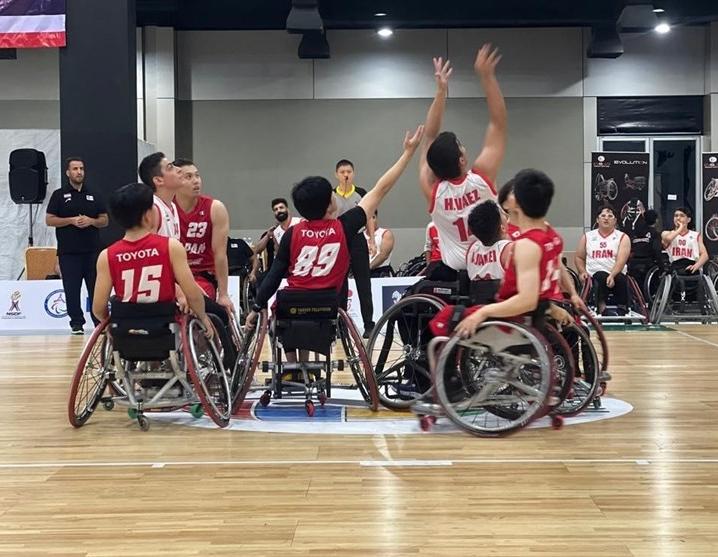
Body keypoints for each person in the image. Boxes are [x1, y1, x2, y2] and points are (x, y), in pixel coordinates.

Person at [245, 126, 424, 362]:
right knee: (316, 314)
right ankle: (306, 364)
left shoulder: (292, 233)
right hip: (327, 305)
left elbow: (275, 275)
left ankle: (293, 366)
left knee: (283, 315)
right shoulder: (344, 226)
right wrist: (408, 153)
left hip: (292, 303)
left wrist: (256, 307)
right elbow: (381, 188)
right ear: (330, 205)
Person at [418, 45, 506, 281]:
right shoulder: (481, 178)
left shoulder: (432, 190)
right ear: (461, 159)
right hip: (492, 267)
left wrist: (440, 91)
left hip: (455, 274)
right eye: (461, 145)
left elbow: (429, 136)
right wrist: (487, 78)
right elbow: (498, 124)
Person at [450, 169, 566, 337]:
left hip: (506, 319)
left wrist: (483, 312)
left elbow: (528, 299)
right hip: (526, 313)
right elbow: (537, 294)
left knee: (447, 320)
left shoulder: (524, 246)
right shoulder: (548, 238)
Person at [92, 182, 212, 337]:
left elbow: (98, 308)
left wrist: (109, 323)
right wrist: (203, 317)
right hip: (164, 327)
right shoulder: (171, 247)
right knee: (219, 314)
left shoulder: (107, 256)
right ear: (147, 216)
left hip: (125, 330)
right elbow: (193, 295)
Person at [174, 159, 237, 367]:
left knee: (200, 306)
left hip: (201, 275)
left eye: (197, 175)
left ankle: (208, 356)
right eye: (188, 177)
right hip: (173, 277)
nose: (196, 181)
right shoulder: (165, 210)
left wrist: (224, 294)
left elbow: (220, 255)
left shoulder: (214, 208)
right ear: (175, 181)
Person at [46, 157, 108, 334]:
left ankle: (99, 322)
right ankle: (76, 323)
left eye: (81, 168)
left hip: (92, 251)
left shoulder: (94, 194)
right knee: (71, 289)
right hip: (69, 252)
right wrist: (71, 220)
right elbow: (49, 220)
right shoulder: (59, 195)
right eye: (75, 169)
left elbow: (104, 220)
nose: (79, 172)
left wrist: (91, 221)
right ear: (68, 172)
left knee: (95, 288)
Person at [334, 159, 376, 337]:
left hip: (358, 240)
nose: (346, 175)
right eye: (342, 172)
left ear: (353, 173)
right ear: (336, 174)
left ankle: (369, 324)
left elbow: (369, 217)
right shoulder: (331, 195)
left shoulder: (361, 194)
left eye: (349, 172)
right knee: (340, 284)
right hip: (340, 240)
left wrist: (371, 240)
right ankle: (341, 326)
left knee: (363, 282)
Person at [575, 206, 631, 315]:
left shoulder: (623, 237)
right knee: (600, 275)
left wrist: (612, 275)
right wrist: (582, 271)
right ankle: (601, 307)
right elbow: (579, 257)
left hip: (615, 272)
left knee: (620, 278)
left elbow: (621, 260)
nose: (606, 218)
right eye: (603, 216)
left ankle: (622, 307)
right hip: (594, 274)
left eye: (610, 216)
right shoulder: (587, 236)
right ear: (597, 219)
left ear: (615, 220)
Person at [138, 152, 181, 239]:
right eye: (170, 167)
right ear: (158, 180)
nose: (179, 169)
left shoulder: (172, 205)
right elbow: (147, 246)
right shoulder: (152, 209)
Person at [626, 208, 665, 294]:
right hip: (648, 263)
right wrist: (662, 268)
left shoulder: (636, 232)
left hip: (633, 263)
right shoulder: (655, 233)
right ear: (656, 220)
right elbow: (657, 250)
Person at [661, 207, 708, 274]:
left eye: (682, 216)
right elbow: (668, 239)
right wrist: (680, 228)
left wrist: (696, 266)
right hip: (675, 267)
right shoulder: (666, 233)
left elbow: (705, 255)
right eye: (676, 216)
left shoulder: (695, 235)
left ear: (688, 220)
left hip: (691, 266)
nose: (678, 218)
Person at [365, 211, 395, 277]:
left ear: (376, 217)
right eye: (368, 218)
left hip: (380, 271)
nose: (371, 221)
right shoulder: (360, 235)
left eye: (373, 217)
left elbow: (383, 255)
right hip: (362, 271)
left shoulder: (385, 233)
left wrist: (369, 267)